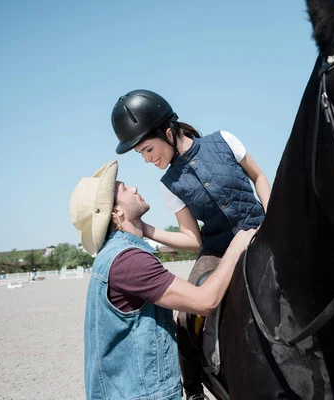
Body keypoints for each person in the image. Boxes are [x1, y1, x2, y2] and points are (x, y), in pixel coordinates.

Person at [110, 89, 271, 399]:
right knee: (185, 317)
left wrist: (272, 217)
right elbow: (191, 238)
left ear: (168, 132)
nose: (146, 159)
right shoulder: (169, 186)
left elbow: (259, 177)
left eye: (147, 149)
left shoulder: (224, 139)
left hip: (262, 230)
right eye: (141, 154)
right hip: (217, 251)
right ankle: (194, 391)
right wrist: (145, 228)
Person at [69, 160, 256, 400]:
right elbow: (206, 300)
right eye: (124, 188)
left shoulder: (117, 254)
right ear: (116, 212)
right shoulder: (129, 261)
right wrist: (237, 245)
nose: (134, 188)